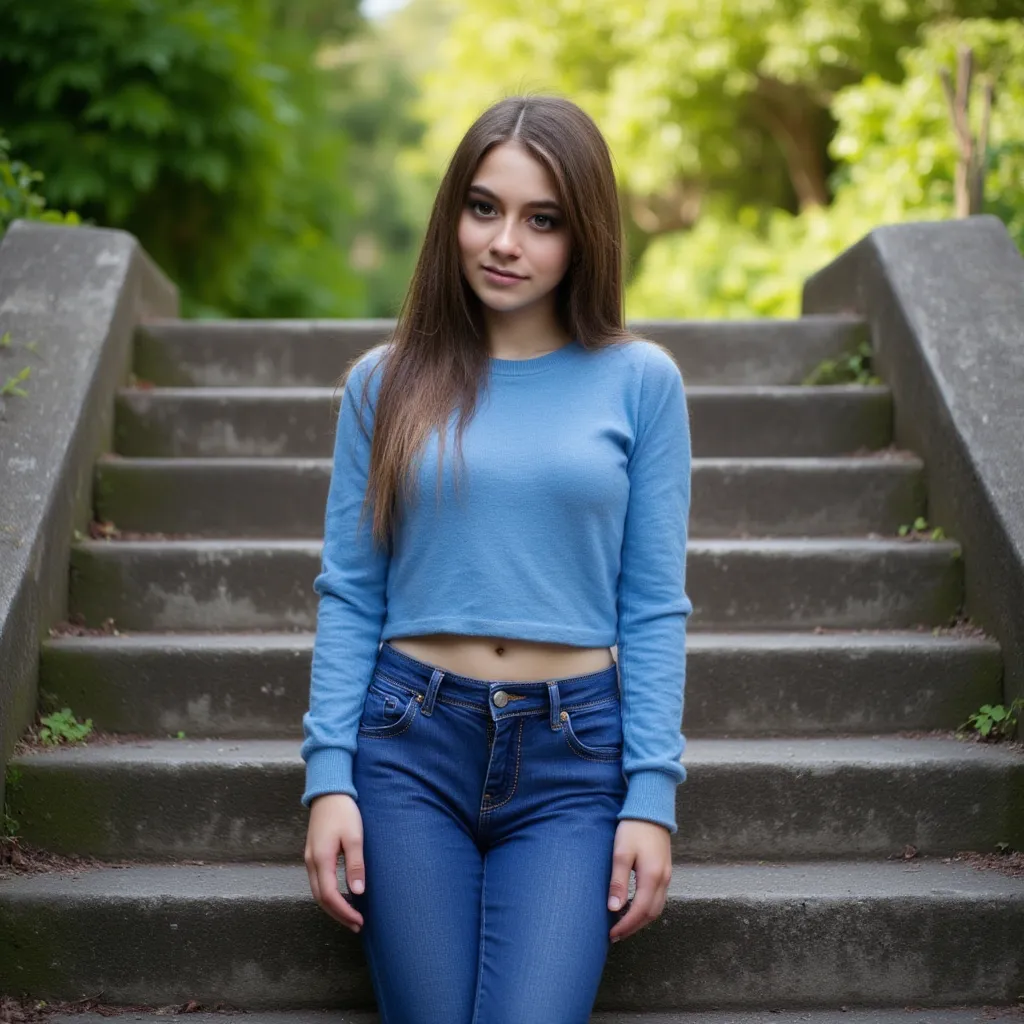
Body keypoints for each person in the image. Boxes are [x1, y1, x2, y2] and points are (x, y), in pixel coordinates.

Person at [300, 93, 693, 1024]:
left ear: (583, 233)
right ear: (453, 217)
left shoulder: (642, 384)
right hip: (408, 749)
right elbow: (352, 592)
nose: (505, 241)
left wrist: (651, 798)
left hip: (574, 759)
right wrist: (328, 780)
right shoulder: (382, 383)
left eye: (541, 219)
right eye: (484, 208)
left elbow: (653, 606)